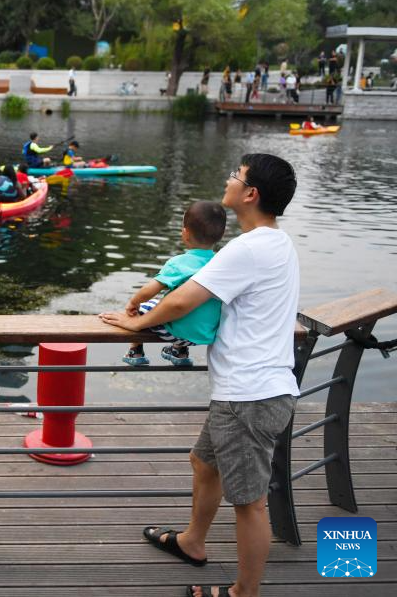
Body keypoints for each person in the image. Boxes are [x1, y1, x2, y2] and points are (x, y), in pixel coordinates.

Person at [100, 153, 300, 597]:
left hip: (249, 395)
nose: (227, 179)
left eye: (235, 175)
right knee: (203, 462)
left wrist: (135, 322)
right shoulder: (276, 242)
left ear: (251, 194)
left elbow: (181, 299)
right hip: (253, 389)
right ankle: (193, 541)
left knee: (250, 504)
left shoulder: (248, 248)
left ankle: (242, 593)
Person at [120, 201, 226, 367]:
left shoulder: (179, 263)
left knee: (142, 308)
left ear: (185, 233)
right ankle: (179, 352)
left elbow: (149, 291)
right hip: (206, 334)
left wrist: (133, 302)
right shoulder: (221, 263)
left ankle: (136, 351)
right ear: (221, 234)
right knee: (196, 307)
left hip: (176, 332)